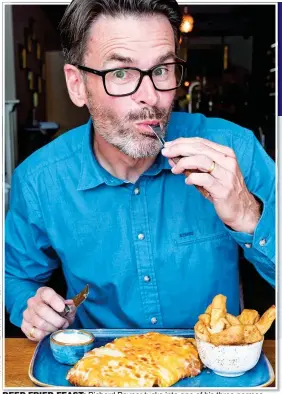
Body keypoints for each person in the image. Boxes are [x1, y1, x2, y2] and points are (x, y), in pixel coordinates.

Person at [5, 0, 275, 342]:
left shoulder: (236, 149)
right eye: (121, 73)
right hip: (106, 367)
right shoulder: (39, 180)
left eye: (162, 70)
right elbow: (15, 277)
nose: (151, 97)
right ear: (77, 85)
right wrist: (29, 305)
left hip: (217, 368)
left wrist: (248, 215)